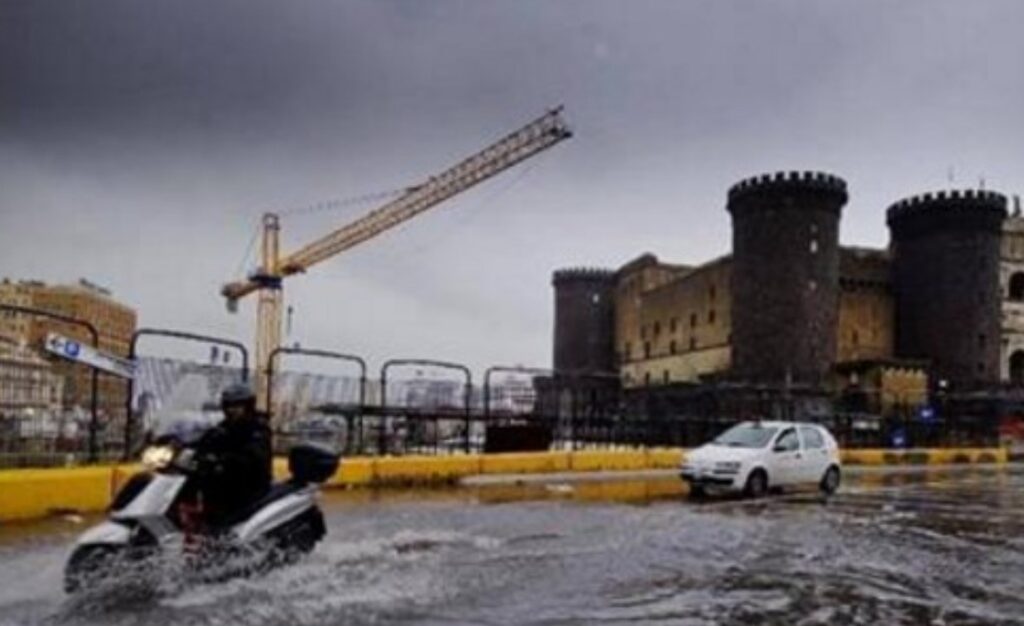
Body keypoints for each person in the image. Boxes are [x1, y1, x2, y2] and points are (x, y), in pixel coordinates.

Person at [194, 383, 273, 528]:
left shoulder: (258, 428)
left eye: (237, 406)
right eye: (228, 406)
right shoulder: (224, 426)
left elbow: (255, 454)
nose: (232, 410)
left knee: (222, 495)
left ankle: (221, 534)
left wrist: (223, 460)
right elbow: (206, 439)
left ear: (248, 406)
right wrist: (177, 443)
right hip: (223, 477)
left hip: (247, 483)